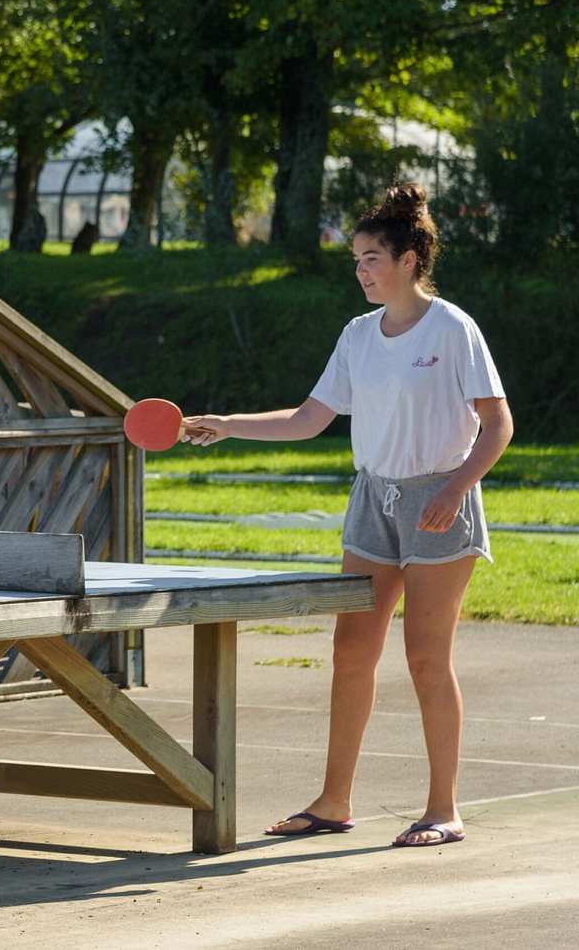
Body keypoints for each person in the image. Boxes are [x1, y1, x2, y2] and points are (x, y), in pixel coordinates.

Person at [183, 182, 512, 847]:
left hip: (438, 501)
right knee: (350, 650)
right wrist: (227, 425)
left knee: (425, 657)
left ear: (409, 260)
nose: (361, 270)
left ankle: (443, 809)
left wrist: (455, 489)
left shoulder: (452, 329)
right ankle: (333, 802)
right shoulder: (358, 336)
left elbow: (498, 423)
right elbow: (310, 419)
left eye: (371, 258)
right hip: (374, 500)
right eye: (357, 259)